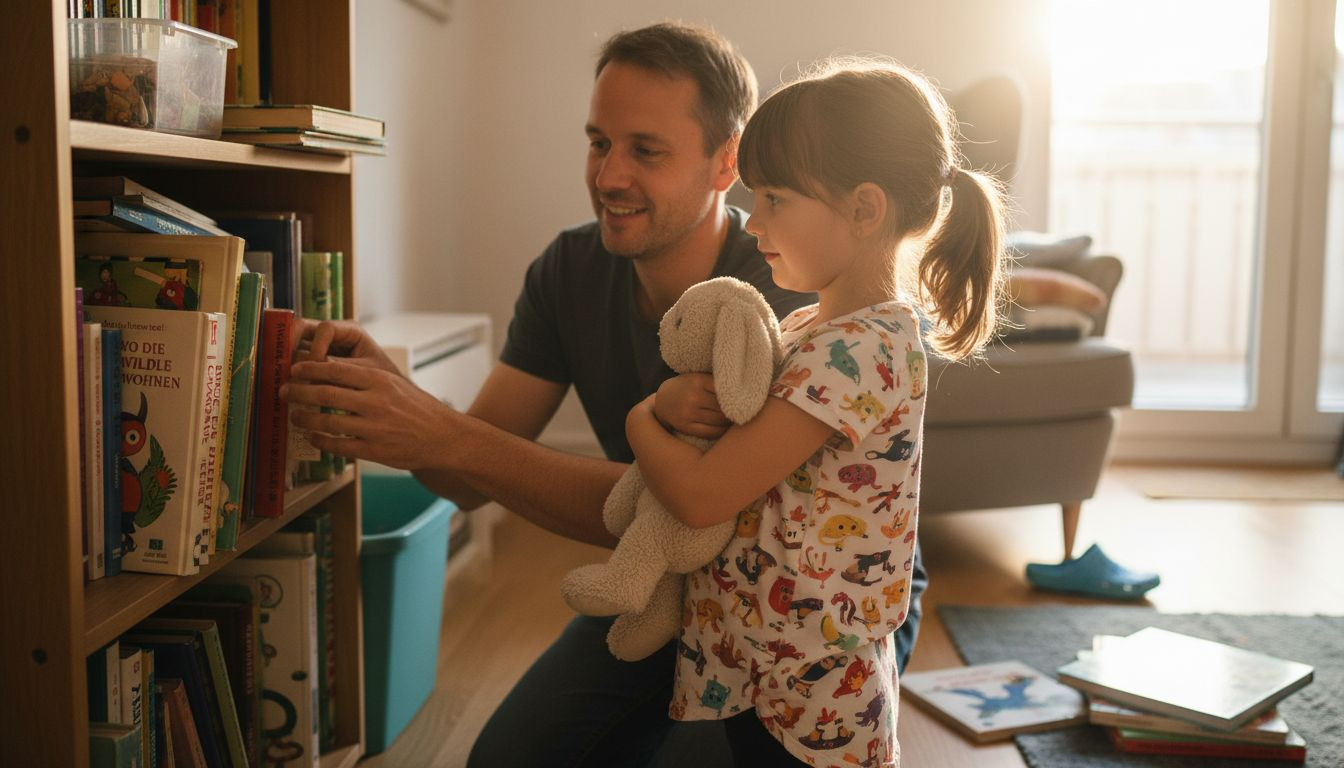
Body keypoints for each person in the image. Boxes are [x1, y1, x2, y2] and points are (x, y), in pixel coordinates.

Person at [281, 23, 929, 767]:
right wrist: (395, 402)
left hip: (821, 611)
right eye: (599, 143)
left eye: (645, 150)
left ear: (728, 163)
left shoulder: (785, 281)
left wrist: (445, 433)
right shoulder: (568, 269)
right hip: (666, 585)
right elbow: (465, 477)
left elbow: (692, 504)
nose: (609, 176)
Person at [624, 59, 1006, 766]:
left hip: (811, 691)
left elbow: (705, 495)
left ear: (864, 209)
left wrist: (641, 419)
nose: (754, 218)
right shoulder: (810, 330)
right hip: (767, 659)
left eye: (775, 199)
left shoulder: (857, 354)